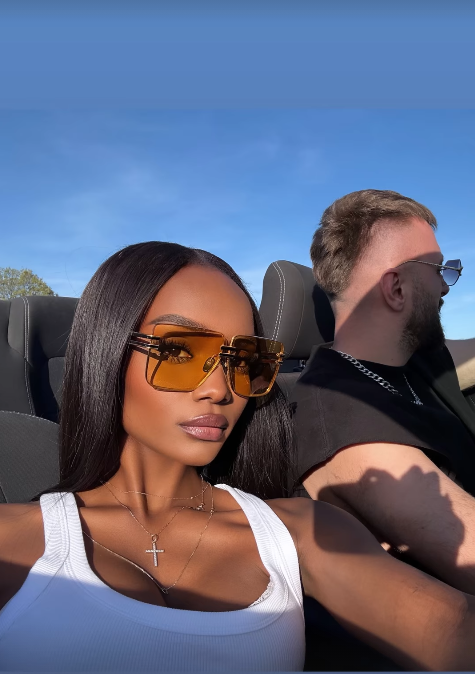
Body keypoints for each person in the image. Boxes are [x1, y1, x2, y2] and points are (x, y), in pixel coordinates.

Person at [1, 241, 475, 672]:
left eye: (244, 361)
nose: (220, 389)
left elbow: (451, 629)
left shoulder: (301, 532)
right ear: (107, 351)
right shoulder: (13, 541)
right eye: (181, 352)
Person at [292, 189, 475, 593]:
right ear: (396, 289)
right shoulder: (343, 420)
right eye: (439, 270)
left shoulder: (417, 359)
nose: (446, 288)